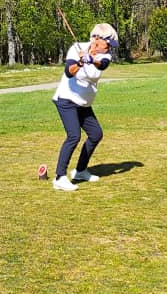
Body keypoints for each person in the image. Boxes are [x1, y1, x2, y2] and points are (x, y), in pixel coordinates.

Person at [51, 22, 119, 191]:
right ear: (96, 39)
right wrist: (81, 62)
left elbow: (103, 64)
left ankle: (80, 171)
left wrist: (91, 59)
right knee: (74, 136)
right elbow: (69, 72)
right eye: (108, 43)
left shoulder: (105, 56)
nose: (110, 48)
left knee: (96, 134)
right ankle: (59, 177)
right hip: (66, 100)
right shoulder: (76, 49)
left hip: (83, 103)